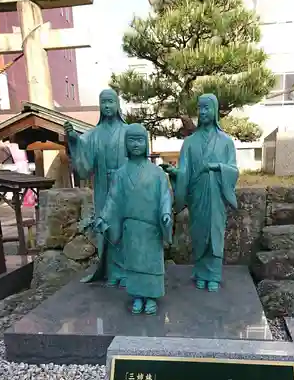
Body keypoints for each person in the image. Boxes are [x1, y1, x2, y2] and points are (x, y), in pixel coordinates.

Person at [163, 94, 238, 292]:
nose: (203, 112)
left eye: (207, 108)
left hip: (216, 194)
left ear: (215, 111)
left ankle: (213, 274)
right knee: (199, 233)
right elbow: (185, 171)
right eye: (200, 108)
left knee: (215, 233)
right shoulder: (189, 143)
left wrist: (217, 167)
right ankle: (200, 272)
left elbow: (233, 170)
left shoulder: (226, 142)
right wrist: (175, 174)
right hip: (197, 195)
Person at [97, 123, 172, 315]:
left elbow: (165, 195)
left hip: (151, 227)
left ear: (146, 143)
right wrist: (104, 217)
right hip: (131, 227)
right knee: (133, 262)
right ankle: (138, 296)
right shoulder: (120, 174)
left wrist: (165, 213)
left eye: (140, 140)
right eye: (131, 140)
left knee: (151, 263)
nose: (136, 144)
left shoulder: (157, 173)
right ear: (125, 144)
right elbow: (113, 198)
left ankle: (152, 296)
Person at [64, 88, 128, 286]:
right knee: (105, 225)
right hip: (103, 186)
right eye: (104, 102)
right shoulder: (93, 135)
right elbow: (84, 160)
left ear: (118, 105)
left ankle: (126, 270)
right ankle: (110, 270)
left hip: (125, 186)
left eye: (110, 102)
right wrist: (74, 139)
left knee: (125, 226)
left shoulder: (128, 132)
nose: (107, 106)